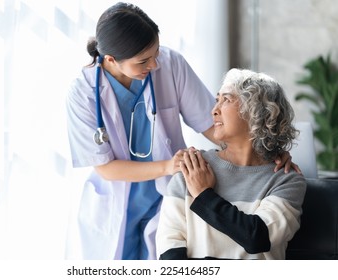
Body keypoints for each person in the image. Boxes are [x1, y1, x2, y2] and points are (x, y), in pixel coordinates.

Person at [65, 3, 296, 260]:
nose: (154, 64)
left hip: (166, 196)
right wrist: (169, 166)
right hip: (114, 205)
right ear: (111, 60)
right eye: (143, 60)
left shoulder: (170, 63)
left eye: (155, 52)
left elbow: (213, 123)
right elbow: (105, 167)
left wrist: (265, 150)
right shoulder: (83, 94)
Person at [156, 68, 307, 260]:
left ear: (257, 112)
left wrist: (204, 195)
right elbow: (169, 249)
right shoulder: (193, 168)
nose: (214, 110)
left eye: (226, 100)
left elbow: (258, 237)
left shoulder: (285, 179)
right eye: (217, 100)